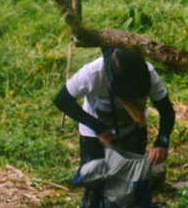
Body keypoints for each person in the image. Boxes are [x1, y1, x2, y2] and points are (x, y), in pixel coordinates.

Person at [54, 47, 175, 208]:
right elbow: (62, 100)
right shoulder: (92, 74)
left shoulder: (149, 74)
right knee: (95, 186)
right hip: (94, 130)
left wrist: (162, 142)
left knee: (132, 183)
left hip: (132, 128)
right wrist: (97, 127)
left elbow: (166, 111)